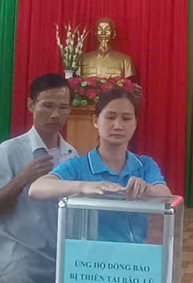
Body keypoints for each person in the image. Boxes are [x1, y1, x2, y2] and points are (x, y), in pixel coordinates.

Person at [0, 73, 79, 283]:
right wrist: (22, 178)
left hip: (60, 273)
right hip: (20, 274)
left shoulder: (72, 155)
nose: (55, 115)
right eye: (48, 105)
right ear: (31, 105)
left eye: (63, 107)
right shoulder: (9, 151)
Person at [30, 89, 171, 243]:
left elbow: (166, 195)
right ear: (96, 121)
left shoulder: (145, 165)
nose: (118, 125)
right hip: (93, 255)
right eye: (110, 117)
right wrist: (84, 186)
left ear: (135, 123)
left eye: (126, 118)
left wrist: (146, 189)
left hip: (136, 254)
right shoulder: (78, 166)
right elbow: (37, 188)